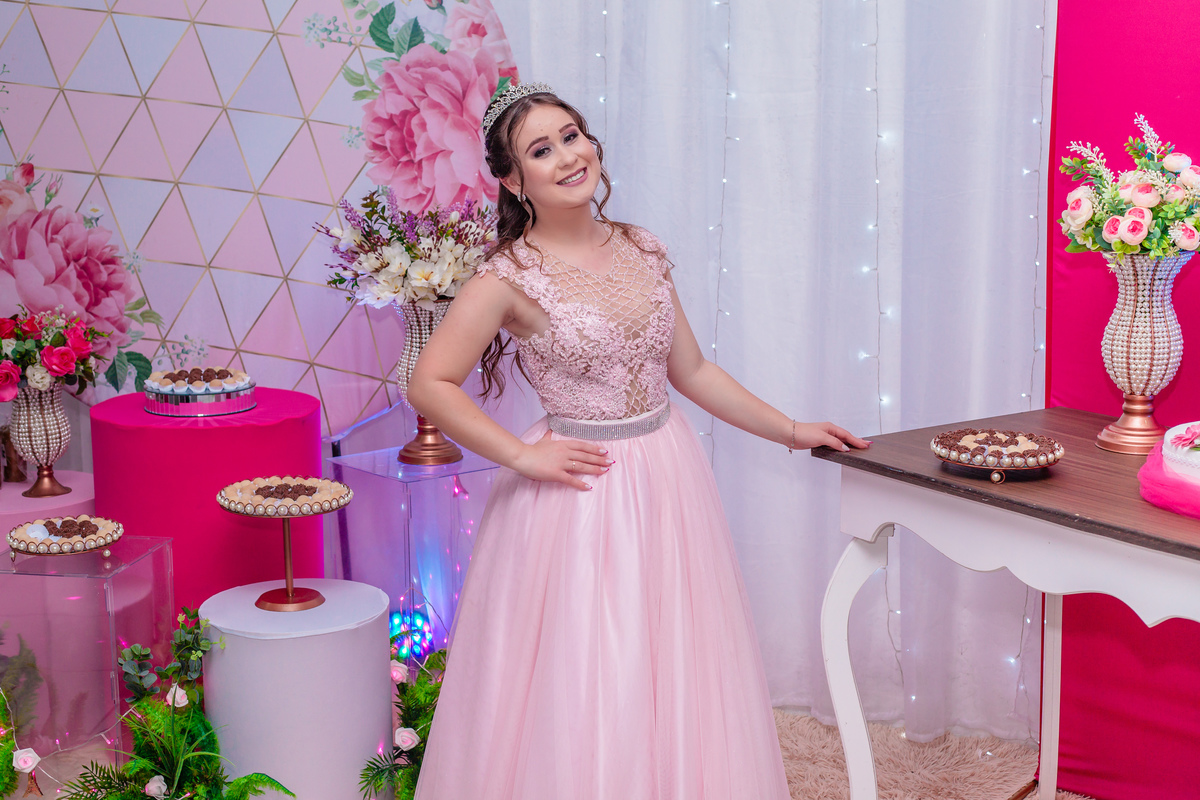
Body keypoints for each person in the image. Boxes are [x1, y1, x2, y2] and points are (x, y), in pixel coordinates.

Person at [407, 82, 868, 800]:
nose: (568, 157)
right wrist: (523, 455)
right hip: (578, 488)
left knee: (673, 652)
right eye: (541, 150)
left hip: (665, 471)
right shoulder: (506, 278)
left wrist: (789, 429)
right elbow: (430, 382)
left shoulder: (641, 247)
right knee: (590, 665)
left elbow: (692, 371)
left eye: (572, 136)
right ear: (513, 180)